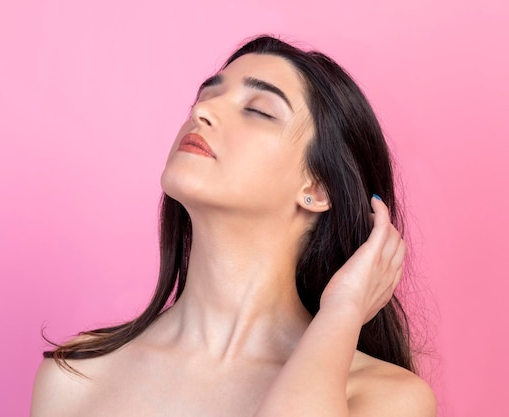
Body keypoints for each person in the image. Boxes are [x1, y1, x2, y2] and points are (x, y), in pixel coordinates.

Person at [30, 35, 436, 416]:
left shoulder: (385, 398)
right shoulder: (77, 378)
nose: (201, 111)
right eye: (206, 96)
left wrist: (343, 311)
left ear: (316, 187)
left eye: (258, 110)